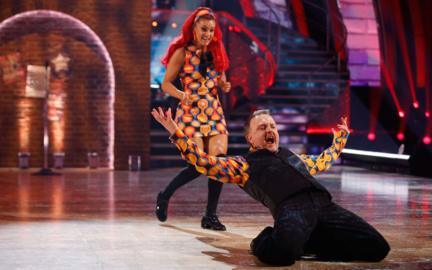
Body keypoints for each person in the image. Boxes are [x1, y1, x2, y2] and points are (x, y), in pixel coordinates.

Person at [151, 108, 390, 266]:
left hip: (324, 205)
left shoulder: (294, 157)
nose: (269, 130)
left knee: (377, 247)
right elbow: (203, 162)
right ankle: (264, 239)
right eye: (262, 127)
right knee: (283, 255)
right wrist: (176, 132)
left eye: (272, 126)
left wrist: (340, 140)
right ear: (250, 140)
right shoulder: (243, 165)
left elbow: (323, 160)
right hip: (290, 208)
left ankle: (309, 242)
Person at [156, 7, 232, 231]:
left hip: (213, 112)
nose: (208, 33)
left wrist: (224, 85)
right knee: (198, 164)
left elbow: (221, 80)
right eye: (204, 29)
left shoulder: (217, 51)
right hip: (190, 113)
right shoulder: (182, 52)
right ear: (194, 28)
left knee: (218, 163)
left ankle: (210, 216)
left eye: (211, 30)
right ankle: (165, 194)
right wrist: (181, 95)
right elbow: (166, 83)